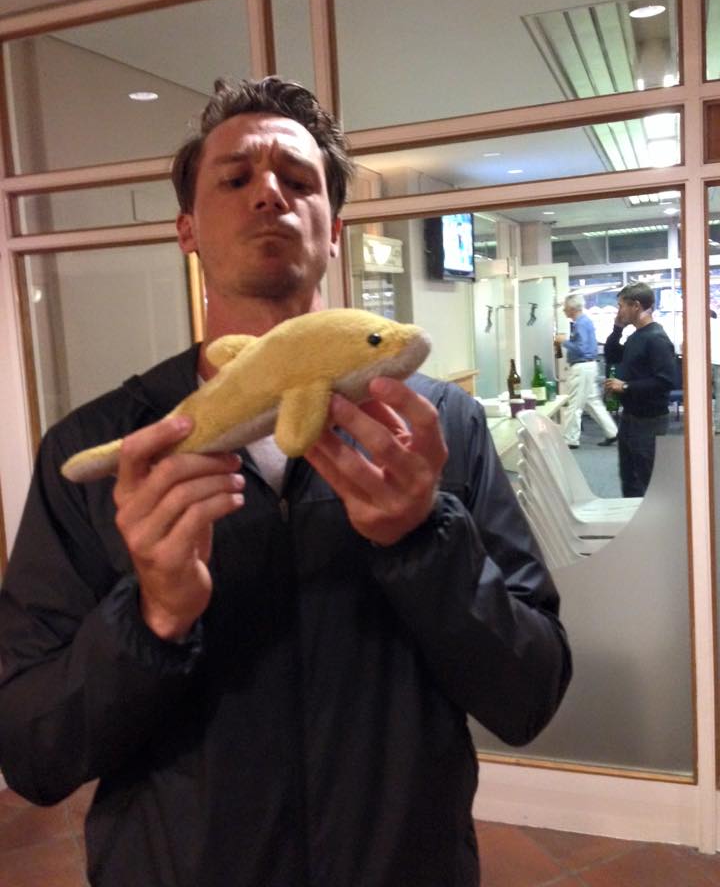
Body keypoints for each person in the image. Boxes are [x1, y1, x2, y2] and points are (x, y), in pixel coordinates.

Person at [0, 77, 571, 887]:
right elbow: (32, 753)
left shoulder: (437, 430)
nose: (268, 193)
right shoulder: (103, 449)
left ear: (334, 230)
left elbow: (529, 693)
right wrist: (152, 614)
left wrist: (423, 542)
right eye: (235, 178)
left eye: (298, 181)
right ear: (187, 229)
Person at [603, 283, 677, 497]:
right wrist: (617, 329)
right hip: (630, 418)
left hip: (649, 421)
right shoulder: (636, 336)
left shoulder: (656, 338)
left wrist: (625, 386)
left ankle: (659, 519)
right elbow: (612, 355)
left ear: (635, 305)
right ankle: (636, 516)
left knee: (649, 481)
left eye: (621, 306)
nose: (619, 311)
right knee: (630, 479)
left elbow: (666, 381)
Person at [560, 293, 618, 450]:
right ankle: (612, 432)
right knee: (592, 402)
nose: (564, 310)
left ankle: (570, 439)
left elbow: (581, 348)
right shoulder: (584, 322)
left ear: (572, 308)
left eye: (565, 307)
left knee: (574, 405)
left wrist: (564, 342)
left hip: (582, 367)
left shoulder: (580, 324)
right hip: (589, 366)